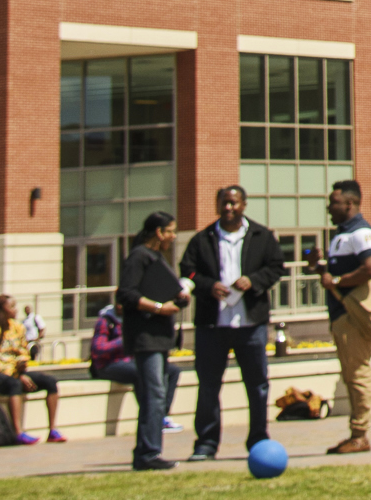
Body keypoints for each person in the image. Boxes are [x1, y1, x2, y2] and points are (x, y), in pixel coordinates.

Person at [181, 183, 279, 460]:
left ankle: (258, 439)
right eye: (224, 203)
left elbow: (276, 267)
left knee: (257, 384)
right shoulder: (202, 239)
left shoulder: (262, 236)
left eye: (233, 203)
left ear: (244, 205)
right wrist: (208, 285)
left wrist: (254, 281)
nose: (228, 208)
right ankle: (206, 443)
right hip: (213, 326)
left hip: (251, 325)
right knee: (209, 385)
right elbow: (187, 271)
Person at [315, 179, 371, 453]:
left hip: (353, 316)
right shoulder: (341, 234)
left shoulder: (361, 232)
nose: (328, 208)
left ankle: (360, 434)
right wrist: (321, 268)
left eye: (333, 202)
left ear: (350, 203)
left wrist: (338, 280)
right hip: (341, 315)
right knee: (351, 373)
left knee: (357, 373)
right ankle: (356, 432)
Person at [116, 211, 185, 471]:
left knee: (156, 393)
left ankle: (147, 450)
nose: (173, 236)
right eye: (170, 231)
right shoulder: (138, 256)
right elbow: (126, 293)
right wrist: (158, 307)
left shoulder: (155, 257)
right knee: (154, 394)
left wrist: (178, 297)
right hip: (146, 337)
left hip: (159, 337)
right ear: (158, 232)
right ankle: (148, 453)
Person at [0, 294, 62, 444]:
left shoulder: (17, 327)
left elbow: (22, 353)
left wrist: (21, 366)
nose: (16, 310)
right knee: (14, 384)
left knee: (50, 382)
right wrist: (16, 374)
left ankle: (52, 430)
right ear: (1, 310)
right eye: (11, 306)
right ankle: (17, 432)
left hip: (16, 373)